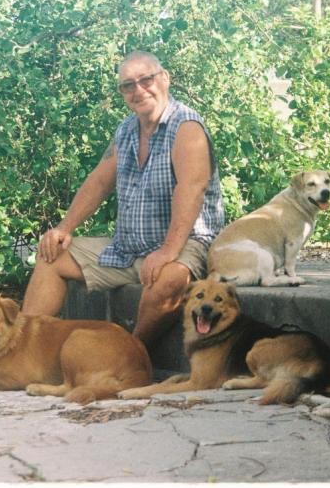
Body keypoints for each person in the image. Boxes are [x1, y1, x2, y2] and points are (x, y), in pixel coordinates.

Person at [22, 51, 224, 351]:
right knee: (51, 255)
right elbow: (100, 181)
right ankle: (18, 351)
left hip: (185, 243)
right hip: (128, 248)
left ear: (165, 79)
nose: (138, 90)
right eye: (128, 85)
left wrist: (168, 250)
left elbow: (191, 189)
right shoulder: (127, 129)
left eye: (146, 80)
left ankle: (127, 354)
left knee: (168, 281)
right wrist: (64, 228)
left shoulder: (186, 126)